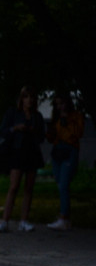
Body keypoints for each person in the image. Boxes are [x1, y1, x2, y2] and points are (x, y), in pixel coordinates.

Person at [0, 86, 46, 232]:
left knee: (29, 188)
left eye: (31, 97)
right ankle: (5, 220)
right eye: (26, 97)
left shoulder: (37, 116)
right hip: (17, 151)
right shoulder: (13, 113)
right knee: (14, 186)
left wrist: (33, 131)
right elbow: (3, 131)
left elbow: (41, 136)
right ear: (22, 99)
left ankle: (24, 220)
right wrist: (16, 128)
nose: (29, 100)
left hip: (32, 152)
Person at [45, 91, 85, 230]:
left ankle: (64, 217)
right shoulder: (56, 119)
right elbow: (51, 137)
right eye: (57, 104)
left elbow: (77, 133)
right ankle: (64, 215)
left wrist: (67, 121)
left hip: (69, 150)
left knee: (64, 184)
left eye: (62, 103)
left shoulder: (76, 117)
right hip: (58, 151)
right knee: (60, 183)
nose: (60, 107)